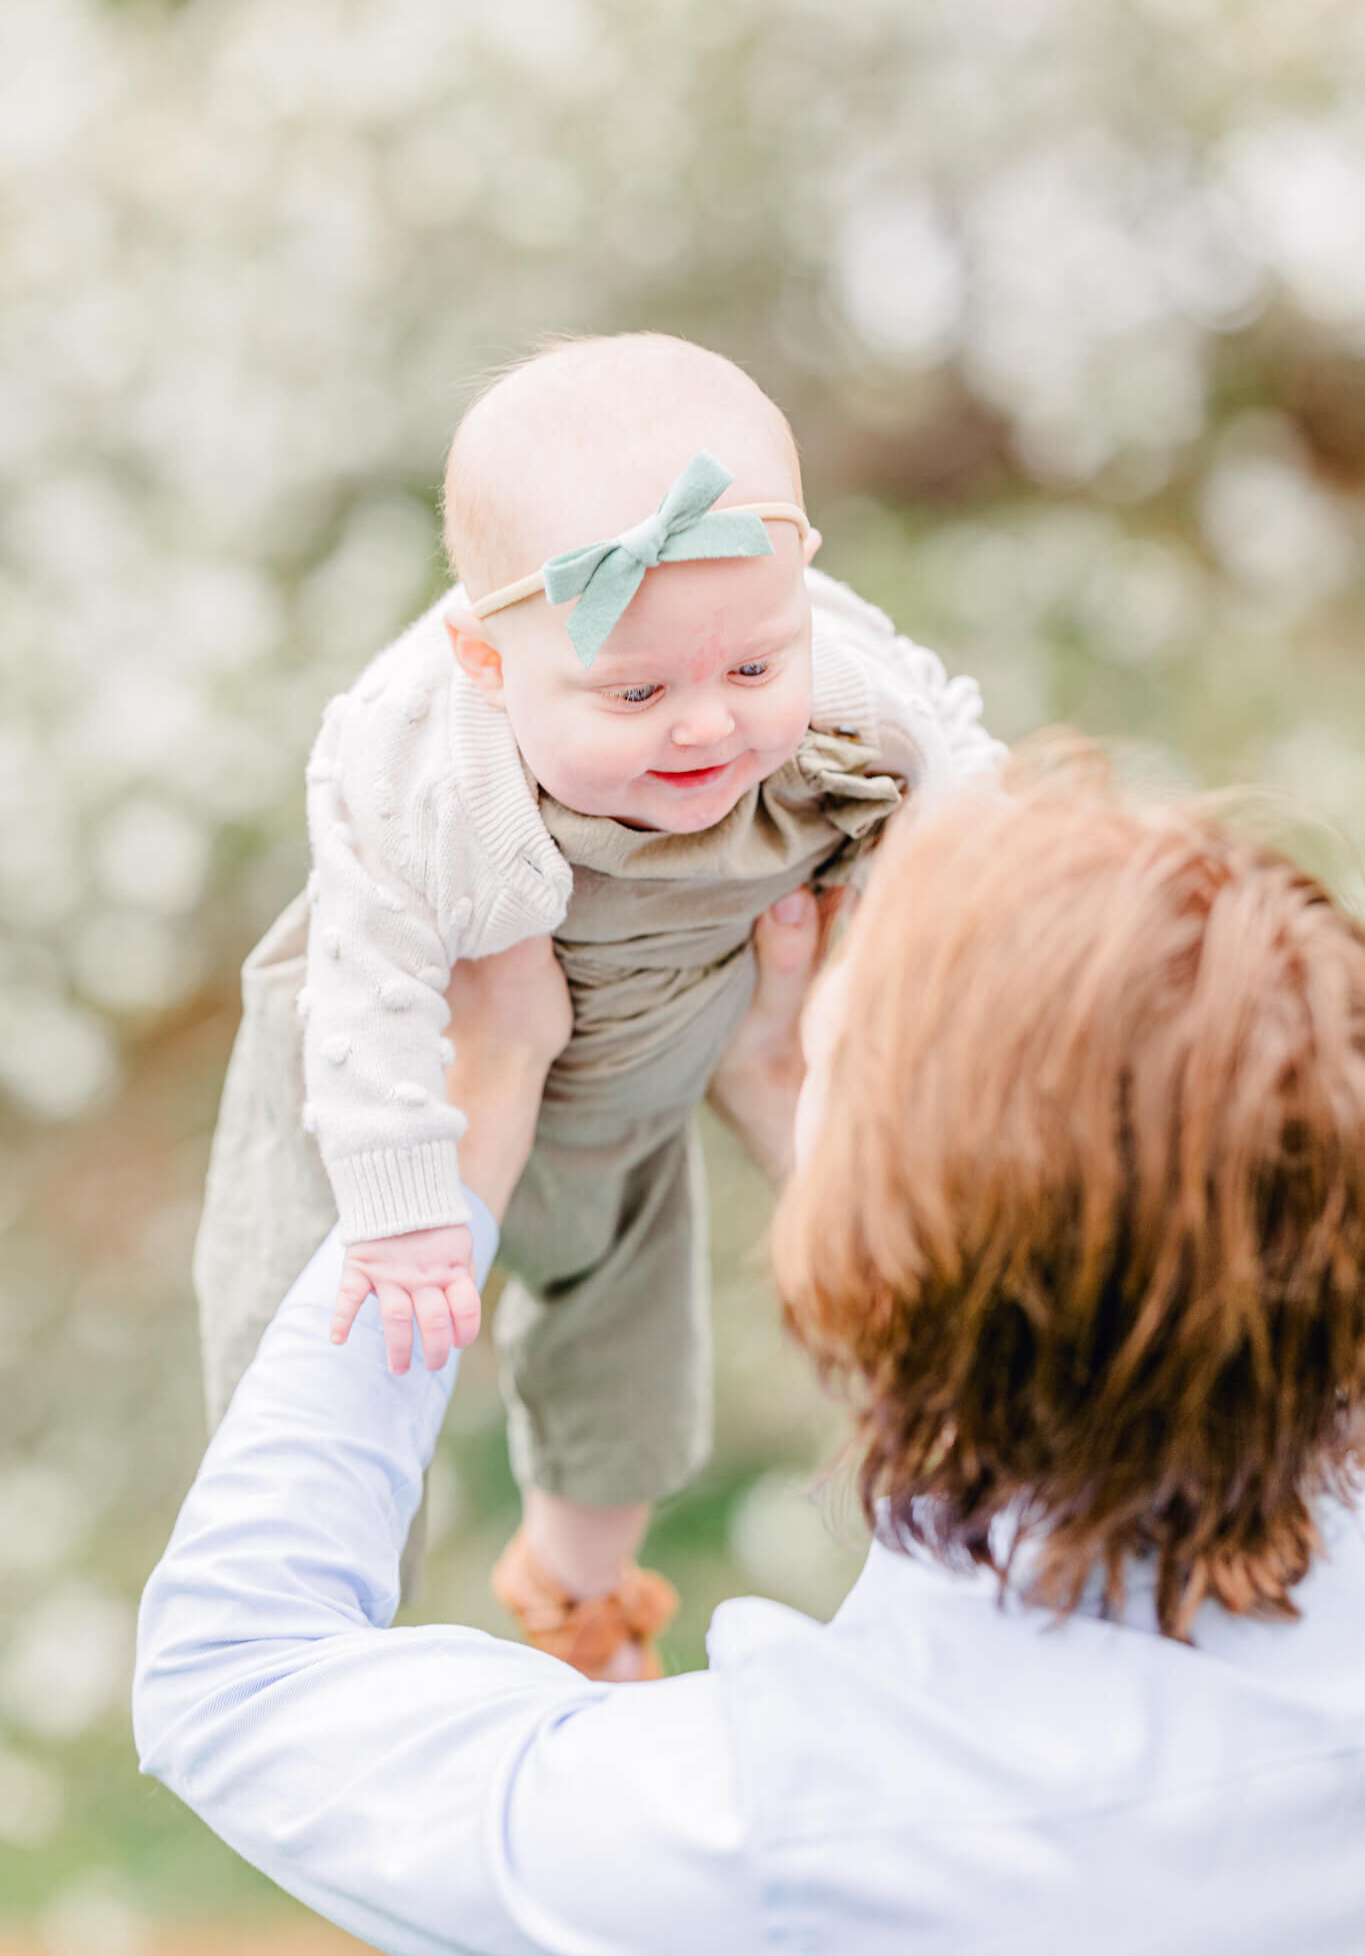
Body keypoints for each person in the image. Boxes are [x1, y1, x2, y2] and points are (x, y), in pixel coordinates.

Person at [135, 764, 1365, 1953]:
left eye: (836, 1053)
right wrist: (801, 1104)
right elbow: (1095, 1353)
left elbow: (231, 1670)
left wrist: (462, 1128)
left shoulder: (779, 1827)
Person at [191, 330, 1002, 1676]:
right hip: (388, 1075)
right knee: (338, 1317)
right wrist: (402, 1210)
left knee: (632, 1355)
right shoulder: (414, 763)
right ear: (487, 661)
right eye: (636, 691)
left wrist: (902, 945)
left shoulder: (830, 667)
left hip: (644, 1051)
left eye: (753, 669)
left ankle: (580, 1593)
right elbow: (373, 981)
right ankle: (318, 1627)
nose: (705, 726)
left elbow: (966, 777)